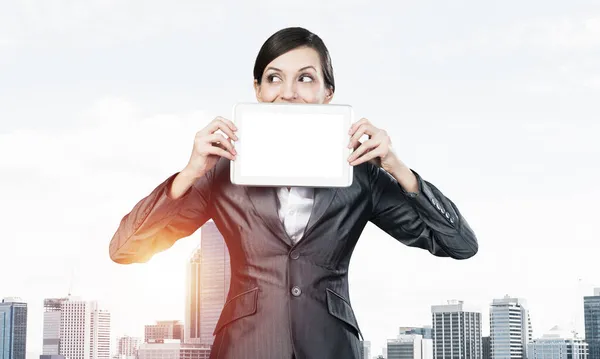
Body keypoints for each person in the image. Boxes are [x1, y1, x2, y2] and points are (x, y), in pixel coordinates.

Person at [109, 27, 478, 359]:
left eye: (305, 78)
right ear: (257, 90)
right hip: (245, 347)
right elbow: (125, 249)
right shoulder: (221, 169)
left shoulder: (360, 172)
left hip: (330, 345)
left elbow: (459, 244)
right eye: (274, 78)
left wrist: (397, 168)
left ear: (327, 93)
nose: (287, 93)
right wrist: (191, 172)